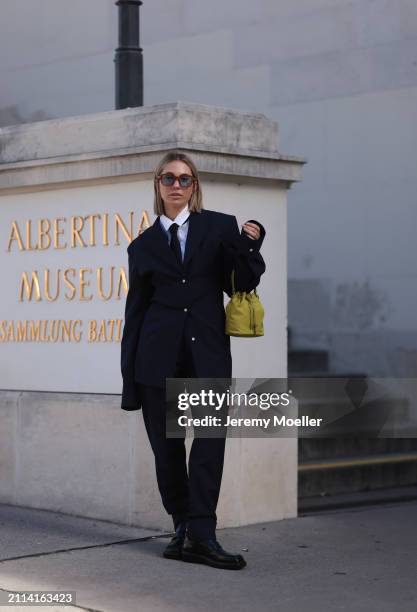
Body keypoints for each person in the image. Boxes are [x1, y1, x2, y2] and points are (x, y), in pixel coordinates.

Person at [120, 150, 266, 570]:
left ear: (195, 185)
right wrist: (130, 381)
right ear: (158, 186)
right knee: (166, 451)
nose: (177, 186)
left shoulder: (218, 226)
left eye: (185, 179)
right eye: (169, 179)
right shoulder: (142, 246)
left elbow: (243, 278)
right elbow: (135, 315)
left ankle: (201, 532)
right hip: (156, 359)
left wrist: (253, 243)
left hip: (207, 355)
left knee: (208, 444)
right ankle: (182, 526)